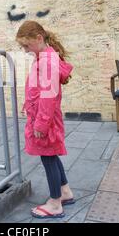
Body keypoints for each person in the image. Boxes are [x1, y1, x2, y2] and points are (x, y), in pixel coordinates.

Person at [15, 20, 75, 219]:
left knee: (48, 157)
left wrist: (40, 124)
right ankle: (65, 192)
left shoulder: (47, 61)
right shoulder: (45, 56)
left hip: (45, 119)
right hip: (44, 116)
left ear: (39, 38)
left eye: (26, 45)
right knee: (52, 154)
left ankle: (55, 203)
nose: (25, 50)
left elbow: (49, 97)